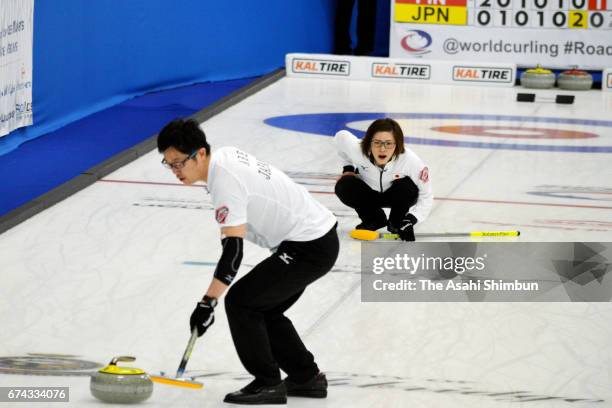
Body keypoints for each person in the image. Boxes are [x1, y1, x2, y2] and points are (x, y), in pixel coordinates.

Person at [156, 118, 338, 405]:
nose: (176, 171)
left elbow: (233, 255)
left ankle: (268, 383)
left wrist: (208, 302)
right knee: (265, 309)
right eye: (169, 164)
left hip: (309, 245)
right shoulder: (222, 159)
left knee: (241, 301)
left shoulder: (224, 180)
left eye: (179, 162)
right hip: (313, 238)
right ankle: (306, 378)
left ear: (200, 153)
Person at [334, 118, 433, 241]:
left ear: (397, 144)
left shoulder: (410, 160)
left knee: (408, 187)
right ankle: (373, 219)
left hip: (396, 197)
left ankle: (397, 222)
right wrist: (348, 168)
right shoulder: (357, 150)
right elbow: (340, 137)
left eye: (389, 143)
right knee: (345, 185)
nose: (382, 149)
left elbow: (426, 195)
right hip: (368, 195)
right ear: (369, 142)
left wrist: (411, 218)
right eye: (377, 142)